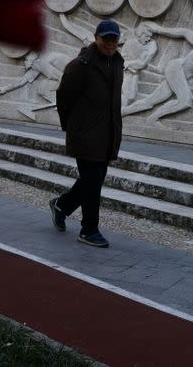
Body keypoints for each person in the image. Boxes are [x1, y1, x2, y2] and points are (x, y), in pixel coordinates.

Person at [50, 19, 124, 248]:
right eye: (106, 39)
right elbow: (63, 98)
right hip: (85, 134)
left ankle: (61, 205)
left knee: (93, 180)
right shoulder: (81, 65)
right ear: (96, 38)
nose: (111, 44)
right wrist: (73, 127)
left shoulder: (118, 63)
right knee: (93, 183)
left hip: (108, 134)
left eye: (114, 40)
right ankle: (89, 229)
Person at [121, 24, 193, 137]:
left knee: (151, 101)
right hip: (175, 68)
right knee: (185, 101)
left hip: (179, 77)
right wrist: (160, 30)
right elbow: (184, 32)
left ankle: (121, 113)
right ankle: (152, 118)